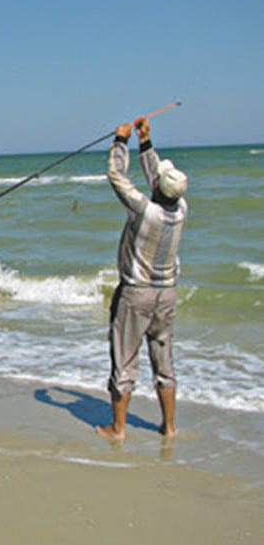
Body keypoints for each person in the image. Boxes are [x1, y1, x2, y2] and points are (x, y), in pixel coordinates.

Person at [97, 117, 188, 441]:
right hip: (167, 295)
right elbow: (156, 179)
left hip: (137, 295)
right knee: (164, 361)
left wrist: (120, 143)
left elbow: (116, 177)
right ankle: (170, 427)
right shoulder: (180, 210)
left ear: (158, 189)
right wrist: (145, 142)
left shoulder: (143, 210)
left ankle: (118, 429)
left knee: (124, 361)